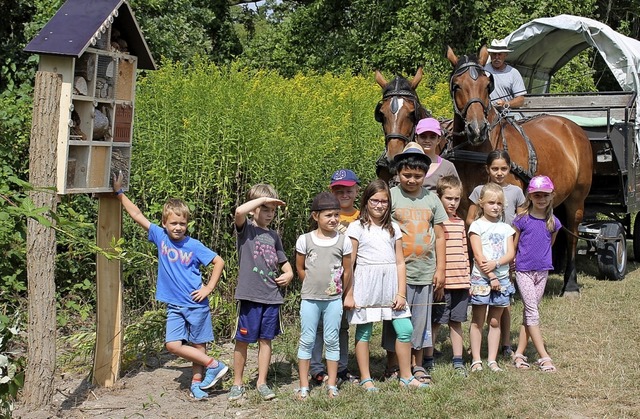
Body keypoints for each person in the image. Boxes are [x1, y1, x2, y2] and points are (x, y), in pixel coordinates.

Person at [111, 172, 228, 400]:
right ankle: (214, 365)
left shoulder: (193, 245)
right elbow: (136, 214)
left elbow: (219, 261)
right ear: (164, 223)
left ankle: (197, 384)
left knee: (198, 346)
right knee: (173, 345)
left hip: (196, 304)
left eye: (182, 223)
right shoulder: (160, 237)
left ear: (187, 224)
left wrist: (208, 289)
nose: (178, 227)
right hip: (175, 305)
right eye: (173, 223)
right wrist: (119, 192)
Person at [344, 179, 428, 391]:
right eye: (375, 201)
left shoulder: (394, 229)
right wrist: (349, 293)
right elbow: (350, 264)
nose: (379, 205)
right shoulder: (356, 228)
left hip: (391, 285)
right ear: (366, 201)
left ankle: (406, 376)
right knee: (364, 332)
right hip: (366, 284)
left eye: (384, 201)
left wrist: (401, 293)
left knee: (405, 329)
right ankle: (366, 378)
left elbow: (400, 262)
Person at [381, 142, 448, 384]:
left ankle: (417, 365)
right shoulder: (391, 196)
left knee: (420, 320)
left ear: (425, 175)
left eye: (417, 176)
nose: (411, 180)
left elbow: (440, 235)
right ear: (398, 173)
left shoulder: (432, 199)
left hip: (424, 271)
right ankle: (392, 364)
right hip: (397, 273)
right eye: (406, 175)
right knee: (395, 320)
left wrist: (440, 269)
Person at [229, 184, 294, 402]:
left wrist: (289, 274)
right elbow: (239, 211)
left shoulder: (274, 236)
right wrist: (262, 199)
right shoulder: (245, 229)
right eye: (265, 208)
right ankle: (237, 383)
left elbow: (284, 263)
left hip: (271, 297)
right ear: (254, 208)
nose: (270, 214)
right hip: (249, 296)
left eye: (272, 210)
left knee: (266, 341)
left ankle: (262, 383)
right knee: (242, 341)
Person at [466, 150, 526, 358]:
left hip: (505, 252)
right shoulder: (479, 190)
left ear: (509, 169)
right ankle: (477, 346)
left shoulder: (516, 191)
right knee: (483, 304)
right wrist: (481, 230)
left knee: (504, 299)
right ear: (487, 169)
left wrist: (513, 251)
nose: (499, 173)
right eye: (495, 169)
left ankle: (506, 342)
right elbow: (470, 218)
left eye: (504, 168)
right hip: (486, 251)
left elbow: (519, 224)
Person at [295, 192, 353, 400]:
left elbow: (347, 271)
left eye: (336, 215)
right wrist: (311, 285)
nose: (333, 219)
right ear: (315, 216)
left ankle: (332, 384)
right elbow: (300, 268)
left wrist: (340, 292)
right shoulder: (305, 240)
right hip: (310, 299)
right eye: (328, 215)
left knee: (332, 340)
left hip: (333, 300)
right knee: (307, 339)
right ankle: (303, 386)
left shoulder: (343, 241)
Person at [309, 169, 361, 386]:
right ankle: (316, 369)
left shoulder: (362, 217)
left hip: (349, 279)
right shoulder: (325, 214)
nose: (344, 194)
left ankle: (340, 367)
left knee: (341, 327)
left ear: (357, 190)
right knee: (319, 325)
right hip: (323, 280)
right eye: (338, 190)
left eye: (349, 189)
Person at [512, 175, 560, 372]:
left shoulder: (553, 222)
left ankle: (519, 354)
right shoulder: (521, 219)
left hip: (542, 271)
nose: (541, 199)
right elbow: (513, 245)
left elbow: (550, 243)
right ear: (530, 196)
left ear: (551, 196)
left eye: (545, 195)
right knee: (533, 312)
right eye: (537, 195)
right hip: (523, 270)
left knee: (528, 313)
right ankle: (544, 357)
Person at [468, 183, 516, 372]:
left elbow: (511, 253)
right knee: (478, 320)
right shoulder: (477, 226)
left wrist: (496, 266)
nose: (495, 207)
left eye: (498, 203)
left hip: (502, 279)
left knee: (495, 321)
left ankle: (492, 359)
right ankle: (476, 359)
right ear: (481, 203)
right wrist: (490, 275)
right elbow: (478, 255)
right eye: (491, 203)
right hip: (481, 279)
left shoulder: (506, 228)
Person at [432, 176, 470, 376]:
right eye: (448, 198)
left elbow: (464, 251)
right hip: (442, 284)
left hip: (460, 282)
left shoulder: (460, 223)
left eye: (456, 199)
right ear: (439, 198)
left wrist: (467, 279)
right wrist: (437, 282)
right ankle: (428, 358)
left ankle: (458, 359)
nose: (453, 203)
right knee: (436, 322)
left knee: (456, 322)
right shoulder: (436, 224)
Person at [414, 118, 459, 191]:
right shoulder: (406, 164)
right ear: (416, 139)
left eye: (432, 137)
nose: (427, 140)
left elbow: (455, 194)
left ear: (438, 140)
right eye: (423, 136)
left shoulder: (447, 167)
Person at [484, 39, 527, 109]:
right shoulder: (483, 71)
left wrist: (506, 104)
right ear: (490, 55)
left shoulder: (513, 73)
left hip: (508, 113)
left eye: (500, 54)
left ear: (505, 55)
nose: (497, 57)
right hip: (486, 112)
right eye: (494, 54)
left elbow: (520, 100)